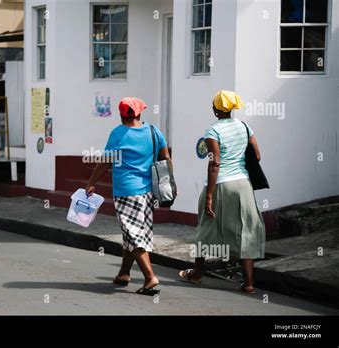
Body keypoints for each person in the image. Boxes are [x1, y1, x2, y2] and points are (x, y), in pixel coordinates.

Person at [179, 90, 266, 294]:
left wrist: (209, 195)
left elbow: (215, 163)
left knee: (205, 226)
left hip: (221, 184)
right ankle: (249, 284)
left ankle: (198, 274)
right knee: (246, 230)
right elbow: (257, 156)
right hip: (243, 184)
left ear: (215, 109)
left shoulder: (212, 131)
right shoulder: (245, 127)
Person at [86, 97, 170, 296]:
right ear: (140, 112)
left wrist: (91, 182)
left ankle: (150, 277)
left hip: (126, 192)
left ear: (121, 114)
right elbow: (165, 158)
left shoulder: (118, 134)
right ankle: (124, 273)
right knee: (132, 234)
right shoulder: (153, 132)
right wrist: (169, 183)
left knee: (134, 234)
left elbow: (105, 162)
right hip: (148, 192)